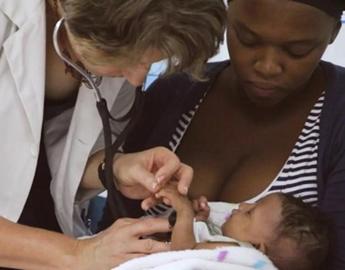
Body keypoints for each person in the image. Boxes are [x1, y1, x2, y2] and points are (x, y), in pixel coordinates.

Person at [0, 0, 227, 269]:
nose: (136, 79)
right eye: (130, 59)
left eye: (152, 61)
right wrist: (74, 254)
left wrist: (113, 168)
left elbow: (54, 155)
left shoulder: (120, 43)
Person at [122, 0, 345, 269]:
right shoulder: (173, 91)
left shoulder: (338, 120)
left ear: (333, 32)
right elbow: (113, 225)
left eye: (297, 50)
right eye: (248, 39)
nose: (267, 66)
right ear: (227, 14)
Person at [155, 184, 330, 270]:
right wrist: (200, 220)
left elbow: (184, 251)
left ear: (255, 248)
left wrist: (184, 209)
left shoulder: (238, 253)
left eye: (250, 213)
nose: (242, 205)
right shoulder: (236, 253)